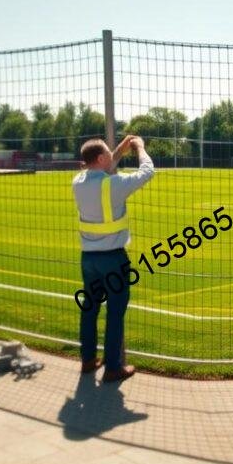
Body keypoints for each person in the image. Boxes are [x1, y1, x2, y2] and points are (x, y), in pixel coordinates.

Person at [73, 134, 154, 383]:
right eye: (108, 154)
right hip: (113, 259)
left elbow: (102, 167)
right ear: (100, 158)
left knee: (90, 309)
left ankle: (88, 360)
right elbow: (147, 171)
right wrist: (139, 148)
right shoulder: (114, 185)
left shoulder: (78, 181)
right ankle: (113, 367)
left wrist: (118, 150)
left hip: (89, 259)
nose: (112, 157)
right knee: (115, 313)